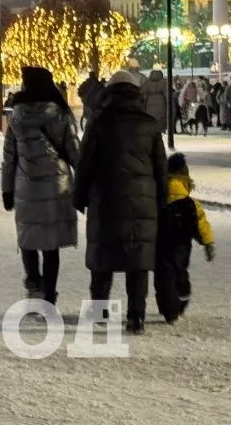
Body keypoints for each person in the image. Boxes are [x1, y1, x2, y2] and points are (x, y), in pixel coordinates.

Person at [73, 70, 168, 335]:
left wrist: (79, 196)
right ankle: (136, 316)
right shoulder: (148, 124)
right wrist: (162, 199)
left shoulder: (99, 121)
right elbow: (161, 167)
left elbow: (85, 163)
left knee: (103, 258)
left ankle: (100, 312)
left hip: (105, 200)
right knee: (137, 262)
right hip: (142, 203)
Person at [2, 66, 80, 308]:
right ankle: (49, 295)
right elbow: (74, 151)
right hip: (57, 186)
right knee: (50, 244)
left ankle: (34, 285)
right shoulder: (59, 114)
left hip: (26, 186)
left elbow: (9, 157)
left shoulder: (16, 116)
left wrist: (6, 190)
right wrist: (86, 181)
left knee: (28, 239)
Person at [155, 152, 215, 323]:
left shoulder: (157, 197)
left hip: (160, 246)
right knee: (180, 274)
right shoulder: (189, 203)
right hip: (181, 247)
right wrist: (207, 243)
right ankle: (180, 303)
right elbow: (200, 222)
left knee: (163, 277)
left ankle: (168, 309)